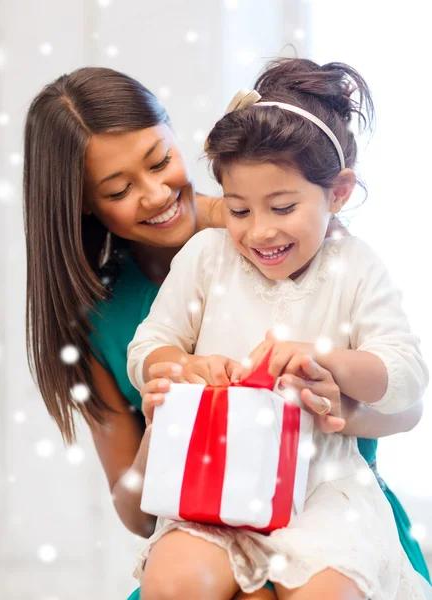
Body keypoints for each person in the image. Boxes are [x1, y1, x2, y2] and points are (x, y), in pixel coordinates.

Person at [23, 65, 430, 600]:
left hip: (326, 502)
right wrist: (168, 402)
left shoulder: (312, 240)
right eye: (119, 188)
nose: (153, 194)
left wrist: (337, 393)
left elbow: (404, 396)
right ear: (82, 202)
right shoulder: (137, 295)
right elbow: (135, 508)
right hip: (209, 501)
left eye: (160, 160)